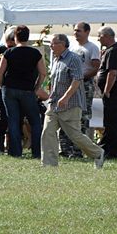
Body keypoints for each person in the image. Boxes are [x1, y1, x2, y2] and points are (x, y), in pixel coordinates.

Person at [40, 34, 105, 168]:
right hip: (54, 103)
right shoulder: (56, 59)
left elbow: (77, 79)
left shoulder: (73, 58)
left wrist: (65, 97)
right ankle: (49, 164)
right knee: (47, 132)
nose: (51, 46)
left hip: (71, 104)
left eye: (53, 43)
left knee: (74, 135)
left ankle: (98, 153)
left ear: (63, 44)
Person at [0, 25, 47, 159]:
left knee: (13, 120)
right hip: (27, 89)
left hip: (10, 88)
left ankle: (16, 152)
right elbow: (43, 73)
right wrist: (36, 87)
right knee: (35, 121)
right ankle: (36, 152)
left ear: (15, 37)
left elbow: (0, 72)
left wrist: (2, 85)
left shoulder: (9, 52)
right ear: (28, 37)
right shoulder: (35, 53)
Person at [96, 26, 117, 159]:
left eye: (99, 35)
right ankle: (107, 148)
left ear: (107, 36)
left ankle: (113, 152)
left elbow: (112, 73)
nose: (98, 38)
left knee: (112, 122)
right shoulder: (116, 50)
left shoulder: (113, 51)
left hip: (114, 92)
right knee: (111, 121)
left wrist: (107, 90)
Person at [0, 28, 16, 153]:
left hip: (12, 86)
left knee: (14, 117)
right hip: (3, 86)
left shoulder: (18, 50)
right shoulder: (1, 50)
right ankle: (0, 146)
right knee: (3, 116)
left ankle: (12, 145)